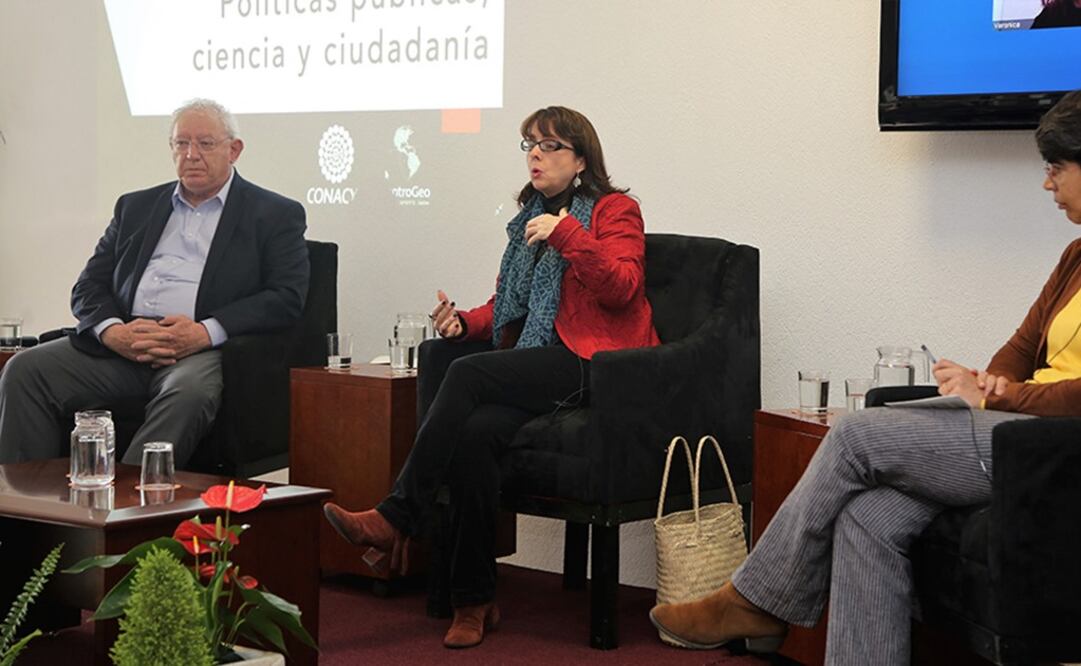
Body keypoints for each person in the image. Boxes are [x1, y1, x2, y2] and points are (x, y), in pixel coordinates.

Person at [648, 90, 1081, 664]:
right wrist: (992, 385)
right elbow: (1018, 348)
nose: (1047, 184)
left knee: (854, 435)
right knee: (866, 514)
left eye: (1056, 167)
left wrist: (1008, 395)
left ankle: (754, 599)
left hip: (1051, 447)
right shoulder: (1075, 255)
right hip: (1014, 427)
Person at [323, 106, 660, 649]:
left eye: (550, 146)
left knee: (468, 374)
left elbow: (621, 287)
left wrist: (568, 234)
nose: (535, 154)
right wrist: (463, 324)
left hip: (595, 364)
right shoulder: (525, 220)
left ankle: (397, 516)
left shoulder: (613, 210)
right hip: (535, 360)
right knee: (474, 433)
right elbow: (509, 305)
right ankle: (473, 599)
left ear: (580, 160)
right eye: (529, 143)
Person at [0, 98, 309, 468]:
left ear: (234, 150)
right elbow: (88, 287)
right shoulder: (136, 207)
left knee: (190, 392)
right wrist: (114, 332)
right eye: (181, 143)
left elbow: (286, 297)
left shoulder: (273, 214)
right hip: (125, 346)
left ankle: (124, 510)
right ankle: (22, 510)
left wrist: (204, 332)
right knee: (25, 371)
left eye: (205, 144)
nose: (191, 154)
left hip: (198, 352)